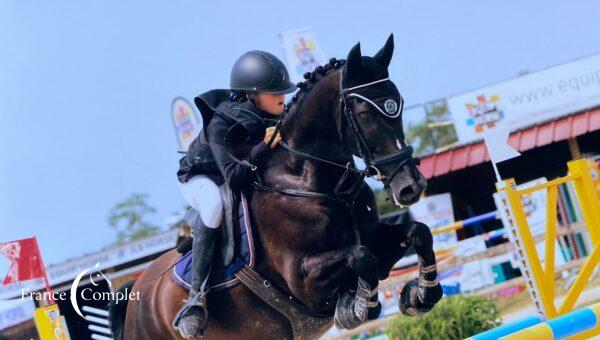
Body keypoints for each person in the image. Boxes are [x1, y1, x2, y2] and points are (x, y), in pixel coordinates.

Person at [172, 50, 296, 338]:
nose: (282, 96)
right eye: (274, 91)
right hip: (202, 178)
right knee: (214, 204)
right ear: (252, 94)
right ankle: (197, 298)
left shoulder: (276, 114)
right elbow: (235, 179)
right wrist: (265, 146)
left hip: (240, 172)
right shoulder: (222, 123)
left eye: (283, 91)